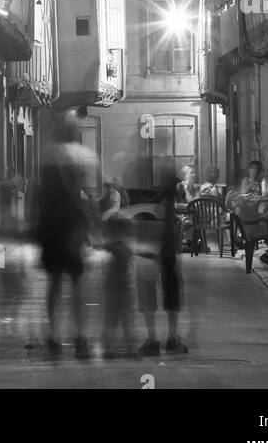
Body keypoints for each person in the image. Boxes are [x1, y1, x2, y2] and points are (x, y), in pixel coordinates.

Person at [35, 113, 98, 359]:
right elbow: (81, 195)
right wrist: (89, 226)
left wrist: (37, 231)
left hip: (52, 229)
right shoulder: (79, 156)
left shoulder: (48, 156)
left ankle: (53, 337)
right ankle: (80, 337)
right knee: (76, 284)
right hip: (72, 229)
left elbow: (40, 196)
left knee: (54, 285)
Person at [135, 170, 188, 356]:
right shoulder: (168, 200)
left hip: (148, 244)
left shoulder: (152, 195)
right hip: (165, 247)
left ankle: (152, 339)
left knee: (147, 289)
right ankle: (172, 338)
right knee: (170, 291)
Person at [102, 214, 136, 357]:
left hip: (117, 289)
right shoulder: (123, 247)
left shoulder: (119, 247)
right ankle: (130, 348)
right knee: (125, 320)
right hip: (123, 290)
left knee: (113, 320)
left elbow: (111, 247)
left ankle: (111, 348)